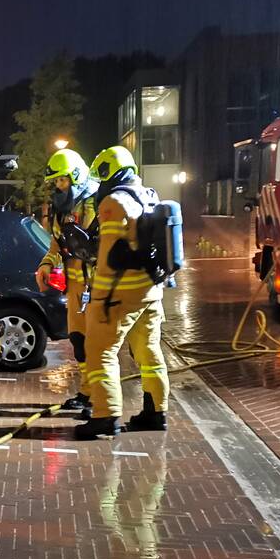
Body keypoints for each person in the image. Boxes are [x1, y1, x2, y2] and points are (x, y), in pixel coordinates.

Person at [76, 146, 168, 440]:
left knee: (100, 352)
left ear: (110, 171)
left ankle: (105, 416)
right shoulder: (150, 196)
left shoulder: (113, 203)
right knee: (149, 353)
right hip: (151, 293)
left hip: (120, 295)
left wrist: (99, 298)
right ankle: (156, 412)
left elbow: (107, 258)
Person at [36, 149, 99, 417]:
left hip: (95, 286)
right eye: (57, 181)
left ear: (75, 176)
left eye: (63, 180)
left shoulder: (95, 201)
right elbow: (57, 243)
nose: (59, 186)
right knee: (79, 341)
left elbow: (95, 244)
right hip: (75, 288)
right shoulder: (61, 209)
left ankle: (100, 399)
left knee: (98, 345)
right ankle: (86, 392)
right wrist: (47, 264)